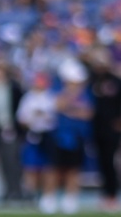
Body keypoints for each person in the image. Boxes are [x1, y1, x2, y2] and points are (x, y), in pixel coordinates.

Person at [86, 49, 121, 211]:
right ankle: (105, 193)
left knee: (111, 162)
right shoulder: (91, 80)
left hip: (112, 129)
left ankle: (113, 194)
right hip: (95, 128)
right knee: (101, 162)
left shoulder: (117, 82)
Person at [47, 60, 95, 215]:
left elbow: (87, 113)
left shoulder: (86, 93)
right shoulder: (58, 90)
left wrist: (71, 109)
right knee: (54, 169)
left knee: (74, 169)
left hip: (78, 137)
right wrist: (72, 104)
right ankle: (50, 198)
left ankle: (70, 199)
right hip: (59, 136)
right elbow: (58, 106)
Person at [0, 61, 26, 204]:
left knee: (14, 160)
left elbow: (21, 108)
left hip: (13, 128)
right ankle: (8, 190)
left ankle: (17, 190)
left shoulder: (14, 88)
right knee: (2, 161)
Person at [16, 72, 57, 211]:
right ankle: (31, 195)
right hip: (32, 134)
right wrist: (32, 118)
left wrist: (43, 116)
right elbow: (22, 119)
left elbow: (55, 117)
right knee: (31, 167)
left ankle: (48, 197)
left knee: (49, 167)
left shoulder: (51, 97)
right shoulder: (28, 98)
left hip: (48, 134)